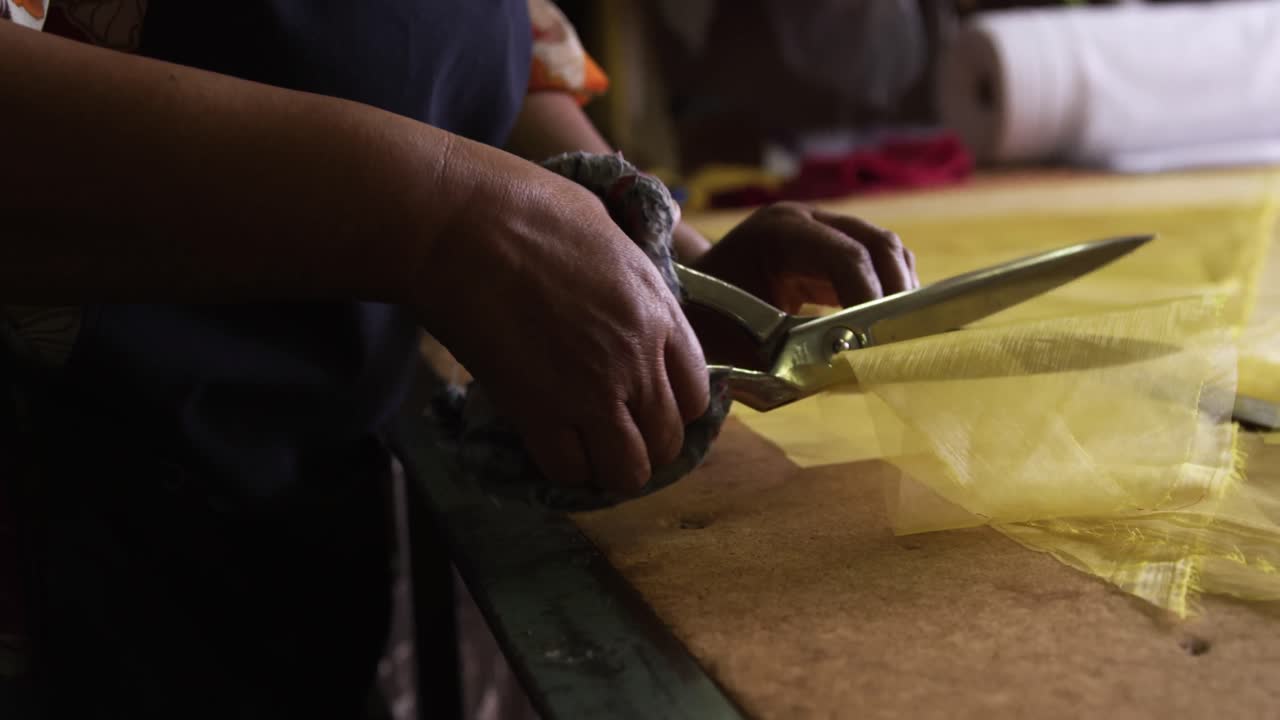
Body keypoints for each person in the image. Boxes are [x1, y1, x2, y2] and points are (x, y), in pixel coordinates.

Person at [0, 1, 918, 717]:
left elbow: (491, 57)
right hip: (52, 549)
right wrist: (442, 217)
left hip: (266, 543)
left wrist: (674, 269)